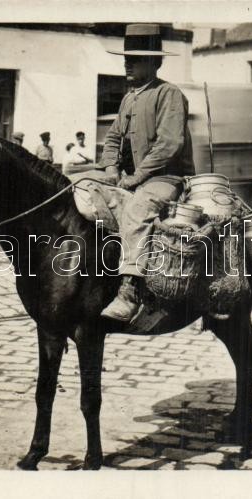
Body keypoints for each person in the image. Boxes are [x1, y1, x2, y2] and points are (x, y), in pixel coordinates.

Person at [97, 23, 195, 322]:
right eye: (127, 56)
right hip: (133, 177)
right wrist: (112, 167)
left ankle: (130, 289)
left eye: (136, 58)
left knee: (138, 210)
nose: (128, 62)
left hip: (166, 179)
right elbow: (113, 137)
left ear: (154, 62)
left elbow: (169, 144)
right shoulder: (130, 97)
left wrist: (135, 178)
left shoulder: (169, 94)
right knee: (86, 194)